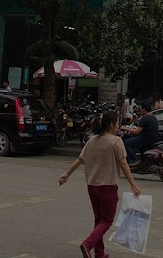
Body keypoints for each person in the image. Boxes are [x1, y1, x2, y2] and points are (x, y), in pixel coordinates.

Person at [59, 110, 140, 258]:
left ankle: (99, 253)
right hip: (108, 187)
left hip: (92, 186)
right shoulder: (116, 141)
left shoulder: (92, 139)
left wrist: (67, 174)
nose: (118, 126)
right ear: (111, 125)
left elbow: (80, 159)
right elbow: (123, 163)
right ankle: (88, 244)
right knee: (107, 221)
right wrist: (133, 184)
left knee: (99, 220)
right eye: (117, 123)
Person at [120, 98, 160, 164]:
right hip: (153, 139)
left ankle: (134, 161)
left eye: (140, 108)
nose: (140, 110)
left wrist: (124, 128)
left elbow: (136, 131)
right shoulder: (153, 117)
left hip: (146, 139)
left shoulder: (145, 118)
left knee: (127, 143)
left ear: (144, 109)